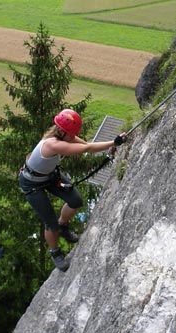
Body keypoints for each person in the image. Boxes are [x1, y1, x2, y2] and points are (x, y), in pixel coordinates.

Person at [19, 109, 125, 272]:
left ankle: (63, 225)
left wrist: (113, 143)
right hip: (32, 184)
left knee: (76, 201)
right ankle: (55, 252)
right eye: (71, 134)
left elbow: (85, 145)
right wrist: (113, 142)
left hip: (49, 176)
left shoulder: (64, 135)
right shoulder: (53, 144)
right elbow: (86, 149)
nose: (73, 136)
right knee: (50, 223)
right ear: (61, 131)